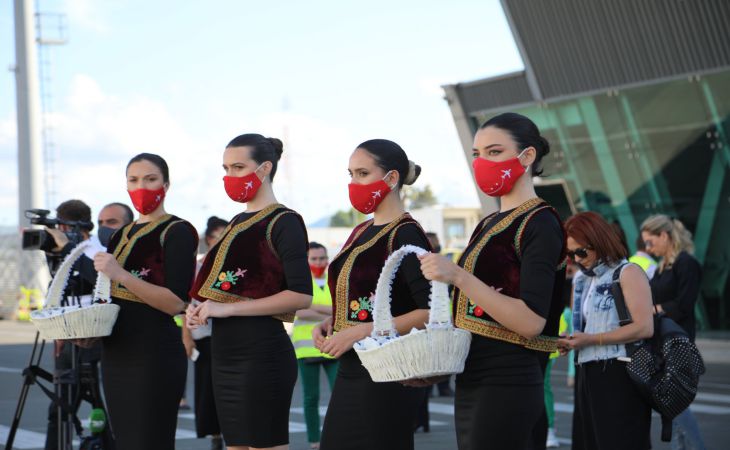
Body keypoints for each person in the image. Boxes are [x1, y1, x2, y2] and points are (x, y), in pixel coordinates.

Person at [418, 112, 567, 450]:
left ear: (527, 156)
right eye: (477, 154)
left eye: (494, 152)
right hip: (475, 373)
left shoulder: (541, 222)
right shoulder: (488, 223)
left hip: (508, 377)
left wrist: (457, 275)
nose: (482, 162)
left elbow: (530, 321)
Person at [187, 133, 312, 450]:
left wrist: (224, 309)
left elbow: (301, 296)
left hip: (262, 355)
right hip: (225, 356)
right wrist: (201, 308)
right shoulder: (236, 222)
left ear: (264, 168)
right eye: (226, 168)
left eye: (238, 167)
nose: (230, 176)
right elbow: (225, 286)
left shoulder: (285, 221)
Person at [314, 139, 432, 450]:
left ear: (392, 179)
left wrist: (361, 330)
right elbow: (362, 298)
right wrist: (333, 322)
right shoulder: (361, 231)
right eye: (351, 174)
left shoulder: (406, 233)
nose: (354, 183)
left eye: (363, 173)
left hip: (390, 371)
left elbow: (430, 310)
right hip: (353, 367)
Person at [93, 153, 199, 450]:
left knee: (149, 441)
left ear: (166, 184)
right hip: (116, 351)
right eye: (134, 180)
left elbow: (176, 302)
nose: (142, 186)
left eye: (150, 179)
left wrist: (120, 274)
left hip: (153, 354)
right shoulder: (121, 235)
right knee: (125, 441)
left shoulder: (177, 231)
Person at [557, 211, 654, 450]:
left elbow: (644, 327)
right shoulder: (580, 280)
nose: (577, 259)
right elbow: (585, 327)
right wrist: (570, 340)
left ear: (599, 240)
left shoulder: (627, 272)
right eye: (571, 254)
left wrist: (591, 339)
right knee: (588, 442)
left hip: (620, 371)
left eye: (582, 251)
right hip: (586, 371)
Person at [641, 214, 706, 450]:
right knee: (671, 404)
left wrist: (653, 309)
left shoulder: (685, 263)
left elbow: (685, 304)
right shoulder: (663, 265)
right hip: (663, 341)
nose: (648, 247)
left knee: (675, 402)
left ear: (665, 236)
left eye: (651, 241)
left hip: (678, 342)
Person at [182, 216, 228, 450]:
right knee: (207, 389)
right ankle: (215, 436)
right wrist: (186, 336)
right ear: (209, 239)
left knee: (231, 388)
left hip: (230, 335)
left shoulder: (235, 266)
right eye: (218, 236)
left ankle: (232, 432)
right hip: (204, 337)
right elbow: (186, 305)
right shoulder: (198, 267)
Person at [291, 242, 338, 449]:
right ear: (306, 260)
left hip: (333, 345)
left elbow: (341, 307)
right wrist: (329, 311)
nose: (319, 262)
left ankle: (338, 436)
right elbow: (299, 311)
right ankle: (315, 442)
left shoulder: (333, 281)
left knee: (339, 395)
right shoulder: (301, 282)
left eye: (322, 258)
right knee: (311, 398)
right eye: (314, 259)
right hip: (306, 348)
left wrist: (313, 308)